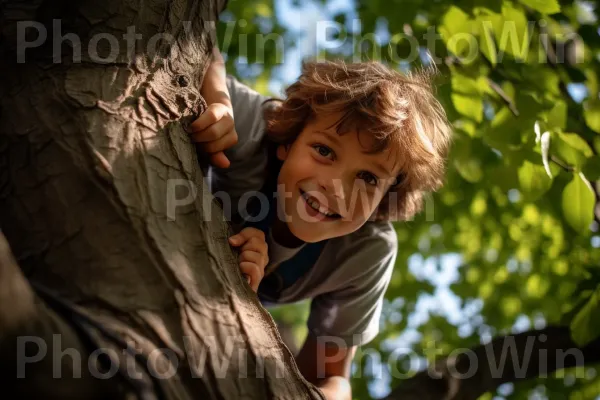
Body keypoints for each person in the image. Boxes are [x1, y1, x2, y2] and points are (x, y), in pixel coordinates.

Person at [189, 48, 452, 400]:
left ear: (385, 200)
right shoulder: (253, 127)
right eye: (324, 151)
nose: (337, 188)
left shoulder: (366, 252)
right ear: (288, 140)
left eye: (368, 178)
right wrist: (217, 99)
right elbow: (201, 47)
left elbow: (330, 376)